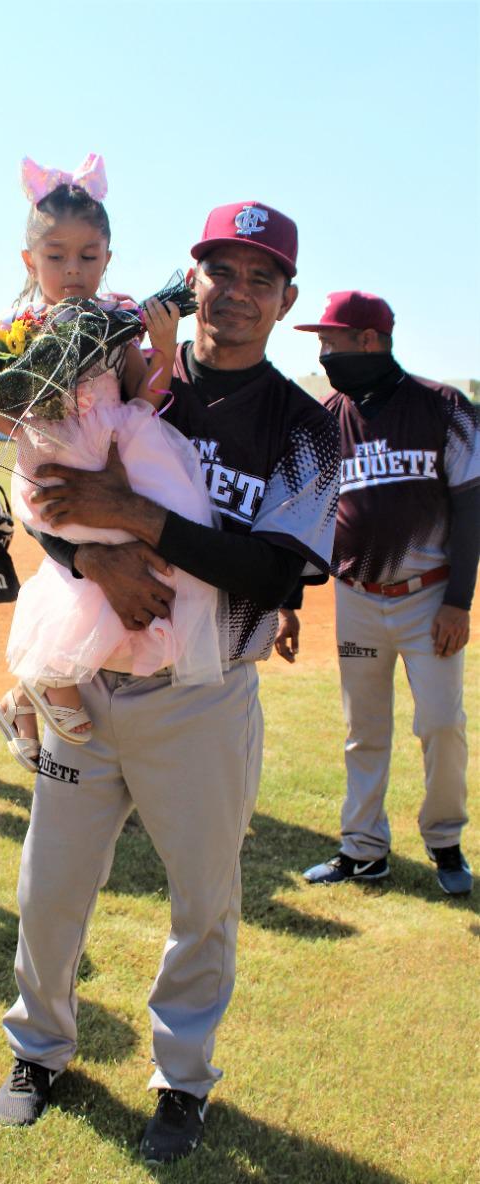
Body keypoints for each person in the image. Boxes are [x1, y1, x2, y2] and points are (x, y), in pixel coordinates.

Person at [0, 199, 339, 1163]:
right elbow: (43, 490)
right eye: (217, 272)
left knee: (202, 898)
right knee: (48, 886)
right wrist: (87, 553)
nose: (232, 294)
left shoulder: (305, 429)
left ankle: (181, 1080)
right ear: (190, 281)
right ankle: (39, 1049)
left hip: (203, 692)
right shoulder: (119, 366)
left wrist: (132, 518)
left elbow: (274, 573)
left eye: (257, 278)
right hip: (87, 680)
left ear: (284, 299)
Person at [0, 156, 222, 773]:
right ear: (29, 261)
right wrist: (29, 409)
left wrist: (165, 348)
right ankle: (39, 681)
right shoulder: (14, 334)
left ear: (108, 258)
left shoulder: (117, 321)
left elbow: (147, 398)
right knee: (79, 573)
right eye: (57, 256)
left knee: (146, 568)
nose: (73, 270)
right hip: (59, 467)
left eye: (88, 256)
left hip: (126, 457)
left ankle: (24, 695)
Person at [278, 292, 478, 895]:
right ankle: (363, 849)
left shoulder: (445, 408)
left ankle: (444, 841)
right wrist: (289, 600)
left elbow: (471, 510)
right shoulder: (326, 417)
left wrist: (459, 603)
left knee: (441, 723)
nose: (323, 353)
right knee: (363, 730)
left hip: (428, 598)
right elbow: (301, 515)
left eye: (331, 342)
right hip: (357, 599)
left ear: (370, 341)